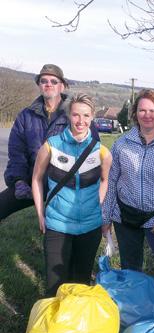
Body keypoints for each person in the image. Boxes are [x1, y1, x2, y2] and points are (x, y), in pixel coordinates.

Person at [101, 89, 154, 304]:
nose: (147, 114)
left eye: (152, 110)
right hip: (126, 216)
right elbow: (111, 182)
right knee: (131, 269)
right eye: (142, 110)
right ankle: (135, 309)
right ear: (135, 113)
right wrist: (106, 218)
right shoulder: (122, 144)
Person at [32, 93, 112, 297]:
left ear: (92, 116)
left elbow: (105, 180)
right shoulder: (51, 146)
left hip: (90, 227)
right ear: (69, 116)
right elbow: (36, 179)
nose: (81, 121)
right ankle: (52, 326)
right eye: (76, 115)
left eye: (86, 116)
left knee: (81, 284)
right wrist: (41, 214)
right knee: (54, 287)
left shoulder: (101, 152)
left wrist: (99, 208)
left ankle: (75, 328)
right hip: (57, 225)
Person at [0, 63, 99, 222]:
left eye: (54, 81)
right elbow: (17, 154)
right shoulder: (26, 116)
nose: (48, 84)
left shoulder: (76, 113)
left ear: (62, 86)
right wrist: (18, 181)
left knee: (63, 230)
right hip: (32, 181)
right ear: (39, 85)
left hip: (67, 183)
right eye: (44, 81)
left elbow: (91, 151)